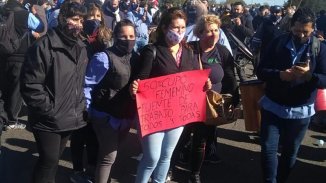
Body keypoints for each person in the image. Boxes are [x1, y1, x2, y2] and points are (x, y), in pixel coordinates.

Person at [130, 7, 210, 183]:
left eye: (183, 28)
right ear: (165, 28)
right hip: (153, 114)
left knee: (167, 155)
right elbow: (140, 80)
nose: (180, 32)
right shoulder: (152, 51)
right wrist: (135, 86)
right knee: (151, 157)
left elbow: (195, 78)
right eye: (176, 28)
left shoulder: (189, 51)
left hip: (177, 114)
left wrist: (205, 83)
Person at [20, 1, 88, 182]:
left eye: (82, 20)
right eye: (75, 19)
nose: (79, 24)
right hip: (48, 118)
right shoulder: (43, 46)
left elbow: (78, 82)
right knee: (48, 161)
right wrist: (49, 110)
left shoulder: (81, 47)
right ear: (63, 18)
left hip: (68, 116)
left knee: (53, 160)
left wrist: (79, 105)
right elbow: (30, 84)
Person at [257, 8, 326, 183]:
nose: (301, 35)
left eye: (306, 32)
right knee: (268, 148)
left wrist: (310, 76)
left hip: (301, 111)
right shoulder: (278, 42)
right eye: (297, 31)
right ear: (291, 26)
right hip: (273, 105)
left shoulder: (320, 48)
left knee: (290, 152)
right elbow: (261, 71)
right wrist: (280, 75)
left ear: (313, 29)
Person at [184, 14, 238, 183]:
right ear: (199, 33)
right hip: (188, 102)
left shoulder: (222, 51)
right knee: (181, 138)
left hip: (211, 105)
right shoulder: (188, 49)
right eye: (208, 31)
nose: (213, 34)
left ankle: (194, 174)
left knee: (201, 140)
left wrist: (234, 100)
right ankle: (169, 167)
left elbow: (230, 77)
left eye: (216, 30)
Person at [85, 19, 137, 183]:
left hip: (124, 115)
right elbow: (88, 85)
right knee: (109, 156)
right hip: (104, 114)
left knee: (109, 152)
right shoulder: (104, 58)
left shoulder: (136, 57)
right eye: (124, 36)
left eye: (131, 36)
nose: (128, 40)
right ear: (115, 37)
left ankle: (94, 172)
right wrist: (86, 110)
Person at [0, 0, 43, 130]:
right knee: (16, 91)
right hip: (19, 56)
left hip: (2, 54)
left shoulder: (2, 10)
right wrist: (35, 14)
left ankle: (2, 117)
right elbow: (40, 27)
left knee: (3, 88)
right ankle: (11, 120)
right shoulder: (25, 14)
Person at [251, 5, 284, 75]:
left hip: (281, 51)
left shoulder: (285, 23)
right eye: (273, 12)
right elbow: (258, 35)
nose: (275, 14)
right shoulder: (265, 22)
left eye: (277, 12)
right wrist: (255, 47)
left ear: (281, 13)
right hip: (266, 50)